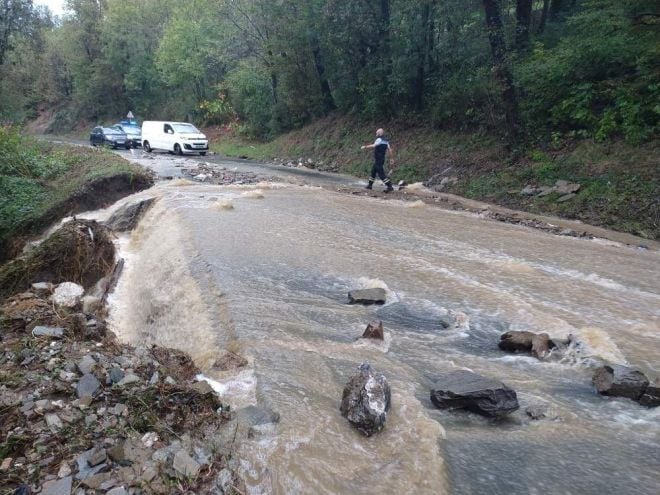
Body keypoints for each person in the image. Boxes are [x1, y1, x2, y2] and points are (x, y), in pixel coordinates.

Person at [361, 128, 395, 192]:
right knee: (373, 171)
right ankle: (370, 186)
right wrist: (391, 158)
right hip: (381, 159)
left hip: (378, 159)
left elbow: (374, 146)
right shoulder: (386, 140)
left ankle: (390, 186)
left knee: (381, 175)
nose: (376, 134)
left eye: (377, 133)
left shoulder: (379, 139)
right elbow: (390, 150)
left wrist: (365, 147)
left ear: (380, 133)